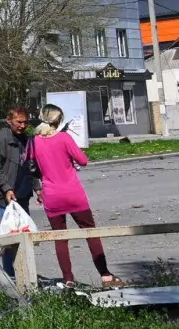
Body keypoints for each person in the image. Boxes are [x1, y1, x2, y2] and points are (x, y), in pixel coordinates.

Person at [34, 104, 123, 287]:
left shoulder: (34, 142)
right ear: (58, 120)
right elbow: (83, 161)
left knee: (60, 238)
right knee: (91, 232)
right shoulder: (64, 138)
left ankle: (68, 278)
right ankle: (105, 275)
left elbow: (31, 167)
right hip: (73, 193)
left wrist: (38, 188)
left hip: (52, 196)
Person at [0, 107, 35, 277]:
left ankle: (24, 273)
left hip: (23, 195)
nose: (22, 125)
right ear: (9, 121)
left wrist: (37, 188)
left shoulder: (26, 139)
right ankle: (10, 275)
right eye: (19, 122)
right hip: (7, 198)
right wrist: (6, 188)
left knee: (24, 236)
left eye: (25, 122)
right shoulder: (3, 139)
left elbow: (30, 165)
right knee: (10, 238)